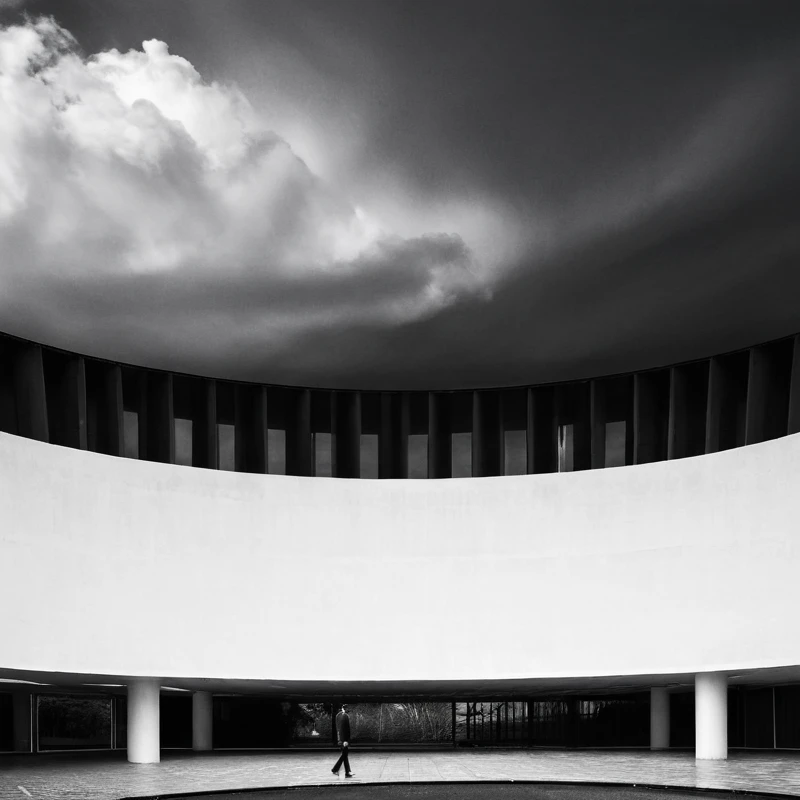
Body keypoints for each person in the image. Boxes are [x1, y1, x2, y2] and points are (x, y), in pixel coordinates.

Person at [331, 703, 354, 777]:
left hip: (340, 739)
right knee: (344, 755)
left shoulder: (338, 715)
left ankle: (347, 771)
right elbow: (344, 729)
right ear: (346, 709)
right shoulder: (345, 716)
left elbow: (338, 729)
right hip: (343, 740)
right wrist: (345, 740)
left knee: (345, 755)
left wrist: (339, 739)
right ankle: (335, 769)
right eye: (348, 709)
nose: (349, 710)